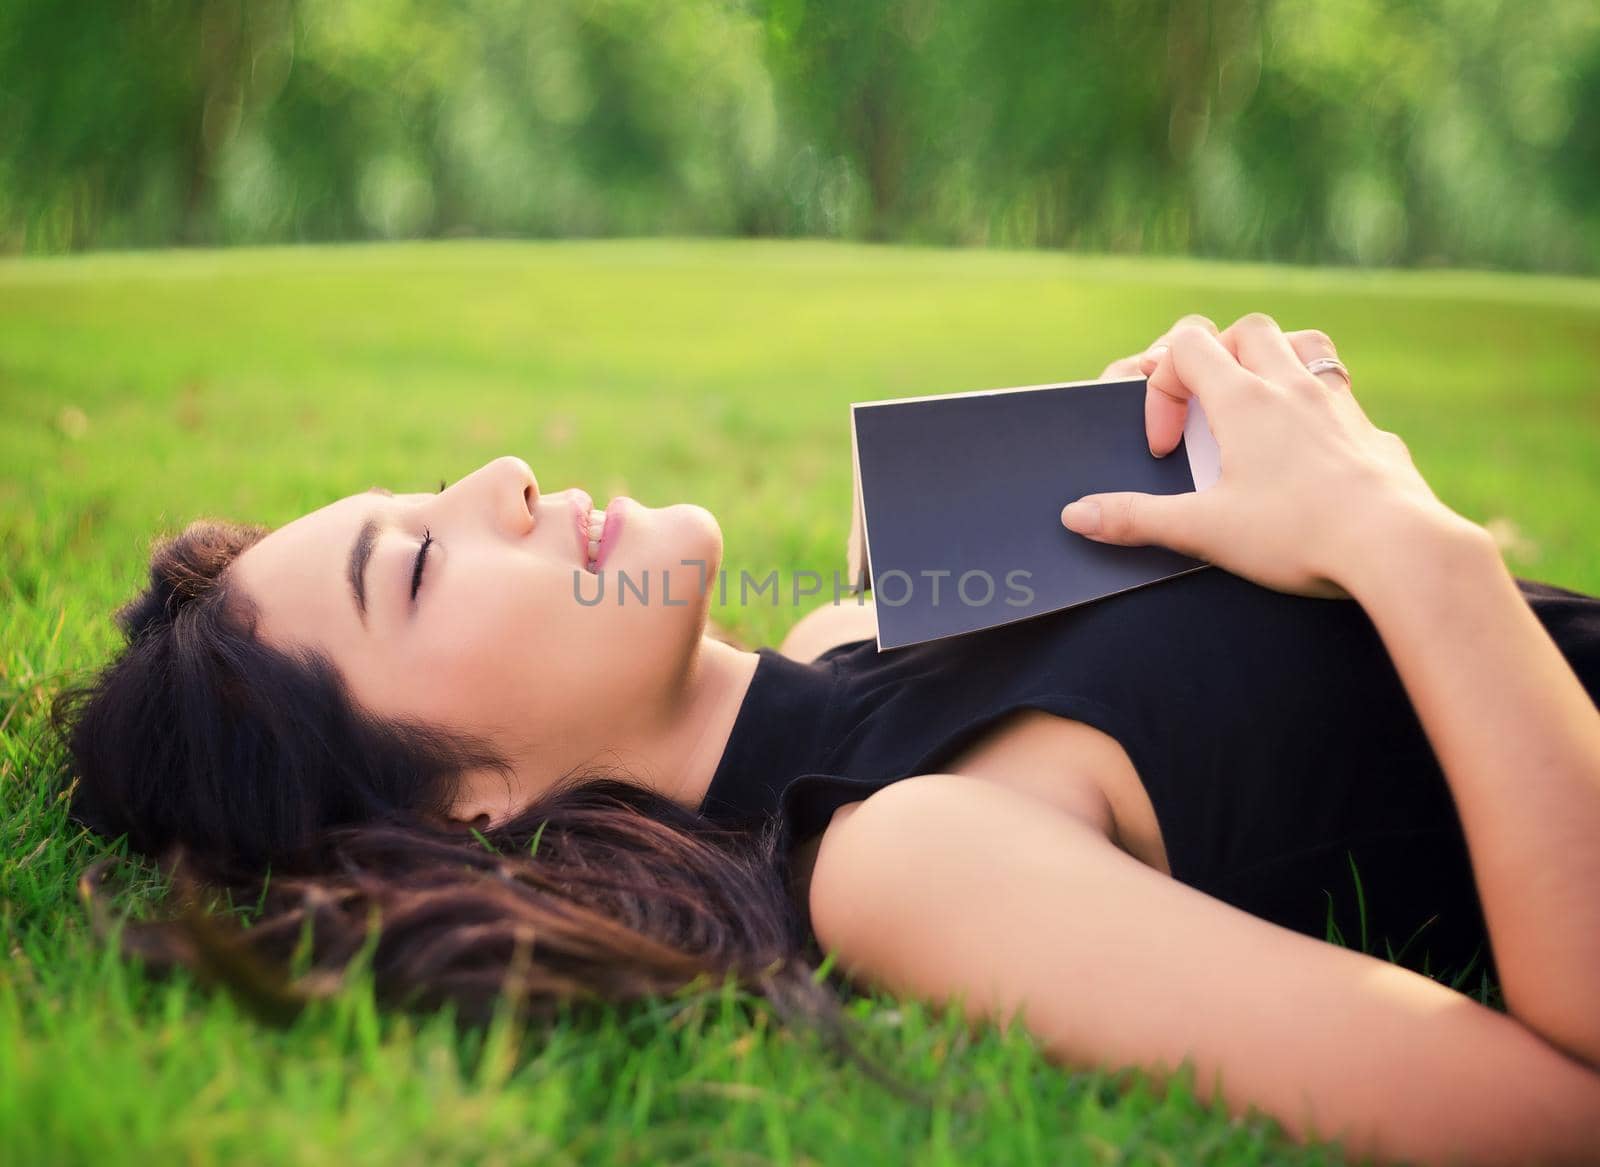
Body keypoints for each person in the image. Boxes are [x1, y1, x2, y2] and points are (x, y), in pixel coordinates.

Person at [55, 314, 1600, 1165]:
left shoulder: (858, 626)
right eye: (420, 564)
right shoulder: (906, 857)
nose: (504, 477)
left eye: (433, 489)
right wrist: (1409, 544)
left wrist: (1250, 453)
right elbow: (1554, 1112)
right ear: (472, 805)